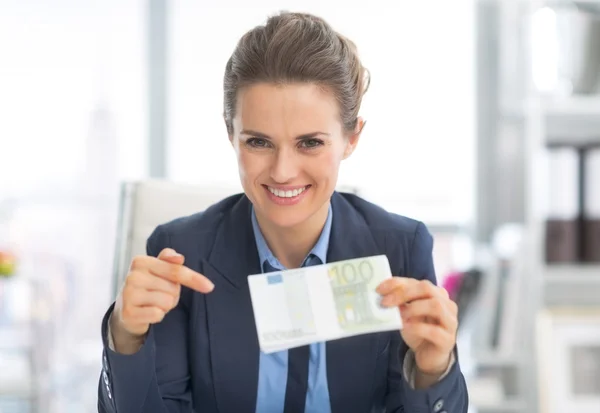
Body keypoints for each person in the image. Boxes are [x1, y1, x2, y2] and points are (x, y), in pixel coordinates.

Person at [98, 11, 468, 413]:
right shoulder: (180, 252)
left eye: (310, 143)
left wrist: (432, 369)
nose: (282, 171)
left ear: (351, 138)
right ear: (230, 135)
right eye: (258, 142)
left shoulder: (400, 249)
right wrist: (126, 336)